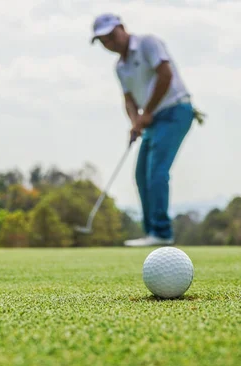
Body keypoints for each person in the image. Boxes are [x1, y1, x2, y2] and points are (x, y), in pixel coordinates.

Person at [91, 13, 205, 247]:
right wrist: (135, 121)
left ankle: (162, 232)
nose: (110, 43)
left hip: (175, 111)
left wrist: (147, 112)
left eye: (111, 36)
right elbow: (129, 100)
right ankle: (152, 232)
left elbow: (165, 75)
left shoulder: (147, 43)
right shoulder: (120, 67)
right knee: (141, 175)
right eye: (103, 41)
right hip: (152, 119)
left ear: (122, 28)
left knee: (157, 172)